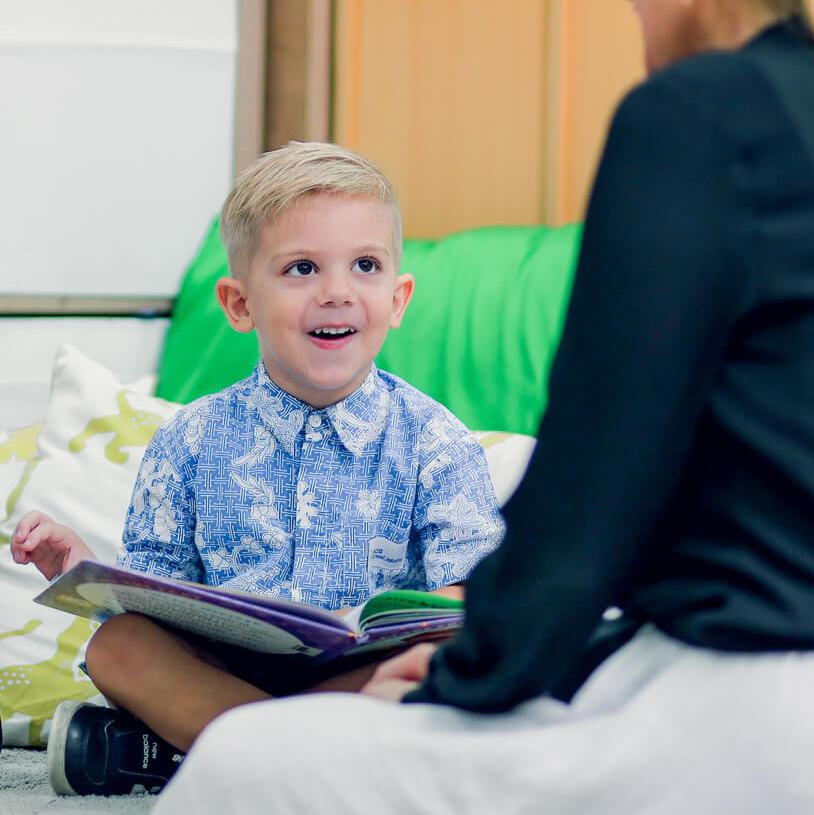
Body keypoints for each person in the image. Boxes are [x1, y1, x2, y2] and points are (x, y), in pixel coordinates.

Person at [154, 0, 814, 815]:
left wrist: (470, 673)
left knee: (248, 764)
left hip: (780, 724)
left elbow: (590, 503)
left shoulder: (698, 118)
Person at [11, 141, 503, 797]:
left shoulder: (436, 442)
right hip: (220, 674)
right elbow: (158, 596)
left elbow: (472, 596)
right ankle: (307, 758)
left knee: (450, 658)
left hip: (361, 676)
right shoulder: (186, 441)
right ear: (240, 304)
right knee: (119, 646)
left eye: (365, 265)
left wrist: (421, 613)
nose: (336, 292)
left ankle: (195, 754)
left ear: (398, 297)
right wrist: (86, 575)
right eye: (301, 268)